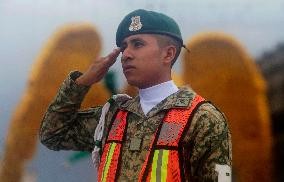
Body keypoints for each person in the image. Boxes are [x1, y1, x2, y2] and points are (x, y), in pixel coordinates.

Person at [39, 9, 232, 182]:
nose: (126, 54)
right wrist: (82, 83)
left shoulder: (203, 119)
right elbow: (53, 135)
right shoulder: (113, 116)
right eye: (123, 47)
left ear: (168, 54)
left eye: (137, 44)